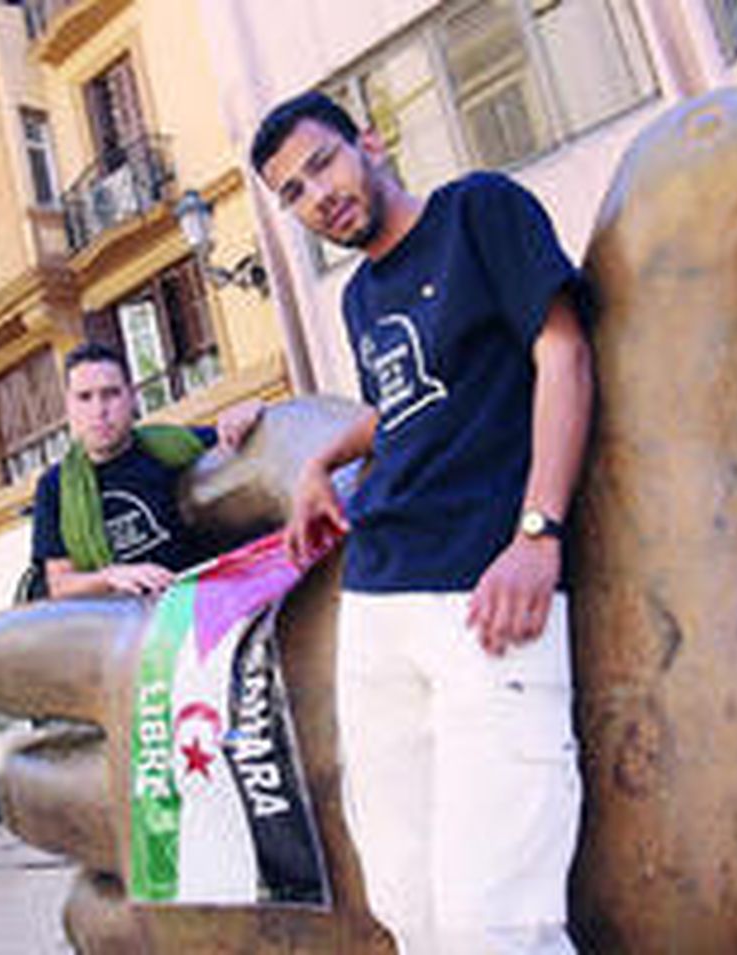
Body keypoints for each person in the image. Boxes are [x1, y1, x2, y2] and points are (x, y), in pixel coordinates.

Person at [252, 92, 595, 953]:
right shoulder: (360, 296)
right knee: (407, 905)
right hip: (376, 597)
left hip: (483, 589)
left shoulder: (479, 210)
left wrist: (539, 534)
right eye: (291, 192)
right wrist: (321, 462)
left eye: (322, 163)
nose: (316, 196)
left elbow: (563, 353)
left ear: (368, 140)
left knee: (499, 916)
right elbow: (398, 406)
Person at [30, 341, 263, 599]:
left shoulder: (176, 446)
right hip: (121, 623)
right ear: (69, 407)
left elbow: (242, 436)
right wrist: (111, 576)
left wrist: (251, 411)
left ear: (131, 397)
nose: (99, 410)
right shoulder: (54, 486)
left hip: (206, 598)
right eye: (85, 397)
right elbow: (60, 584)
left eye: (111, 394)